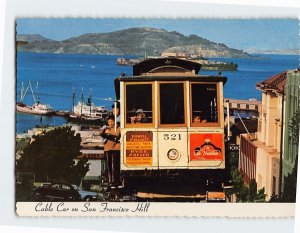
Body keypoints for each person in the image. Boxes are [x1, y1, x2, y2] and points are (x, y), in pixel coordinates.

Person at [100, 115, 121, 188]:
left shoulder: (118, 128)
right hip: (107, 149)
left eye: (112, 121)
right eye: (109, 121)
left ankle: (116, 181)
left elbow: (116, 136)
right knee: (109, 167)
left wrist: (108, 135)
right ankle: (110, 181)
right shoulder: (106, 129)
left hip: (116, 149)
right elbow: (100, 133)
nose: (110, 123)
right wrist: (104, 129)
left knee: (115, 166)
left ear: (115, 121)